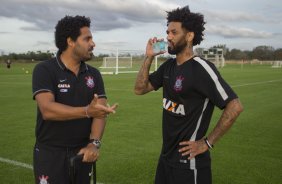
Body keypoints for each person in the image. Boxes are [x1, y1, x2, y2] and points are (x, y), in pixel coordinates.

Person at [134, 6, 243, 184]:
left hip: (190, 164)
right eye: (167, 32)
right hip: (166, 159)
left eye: (174, 32)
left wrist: (207, 143)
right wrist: (149, 57)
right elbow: (139, 89)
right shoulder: (168, 67)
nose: (168, 36)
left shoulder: (202, 68)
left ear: (190, 36)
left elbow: (235, 106)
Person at [32, 15, 118, 184]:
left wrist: (94, 144)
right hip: (51, 154)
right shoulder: (44, 69)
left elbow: (100, 113)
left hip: (83, 152)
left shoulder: (94, 74)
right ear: (70, 41)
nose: (93, 43)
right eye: (87, 39)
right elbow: (47, 110)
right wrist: (87, 111)